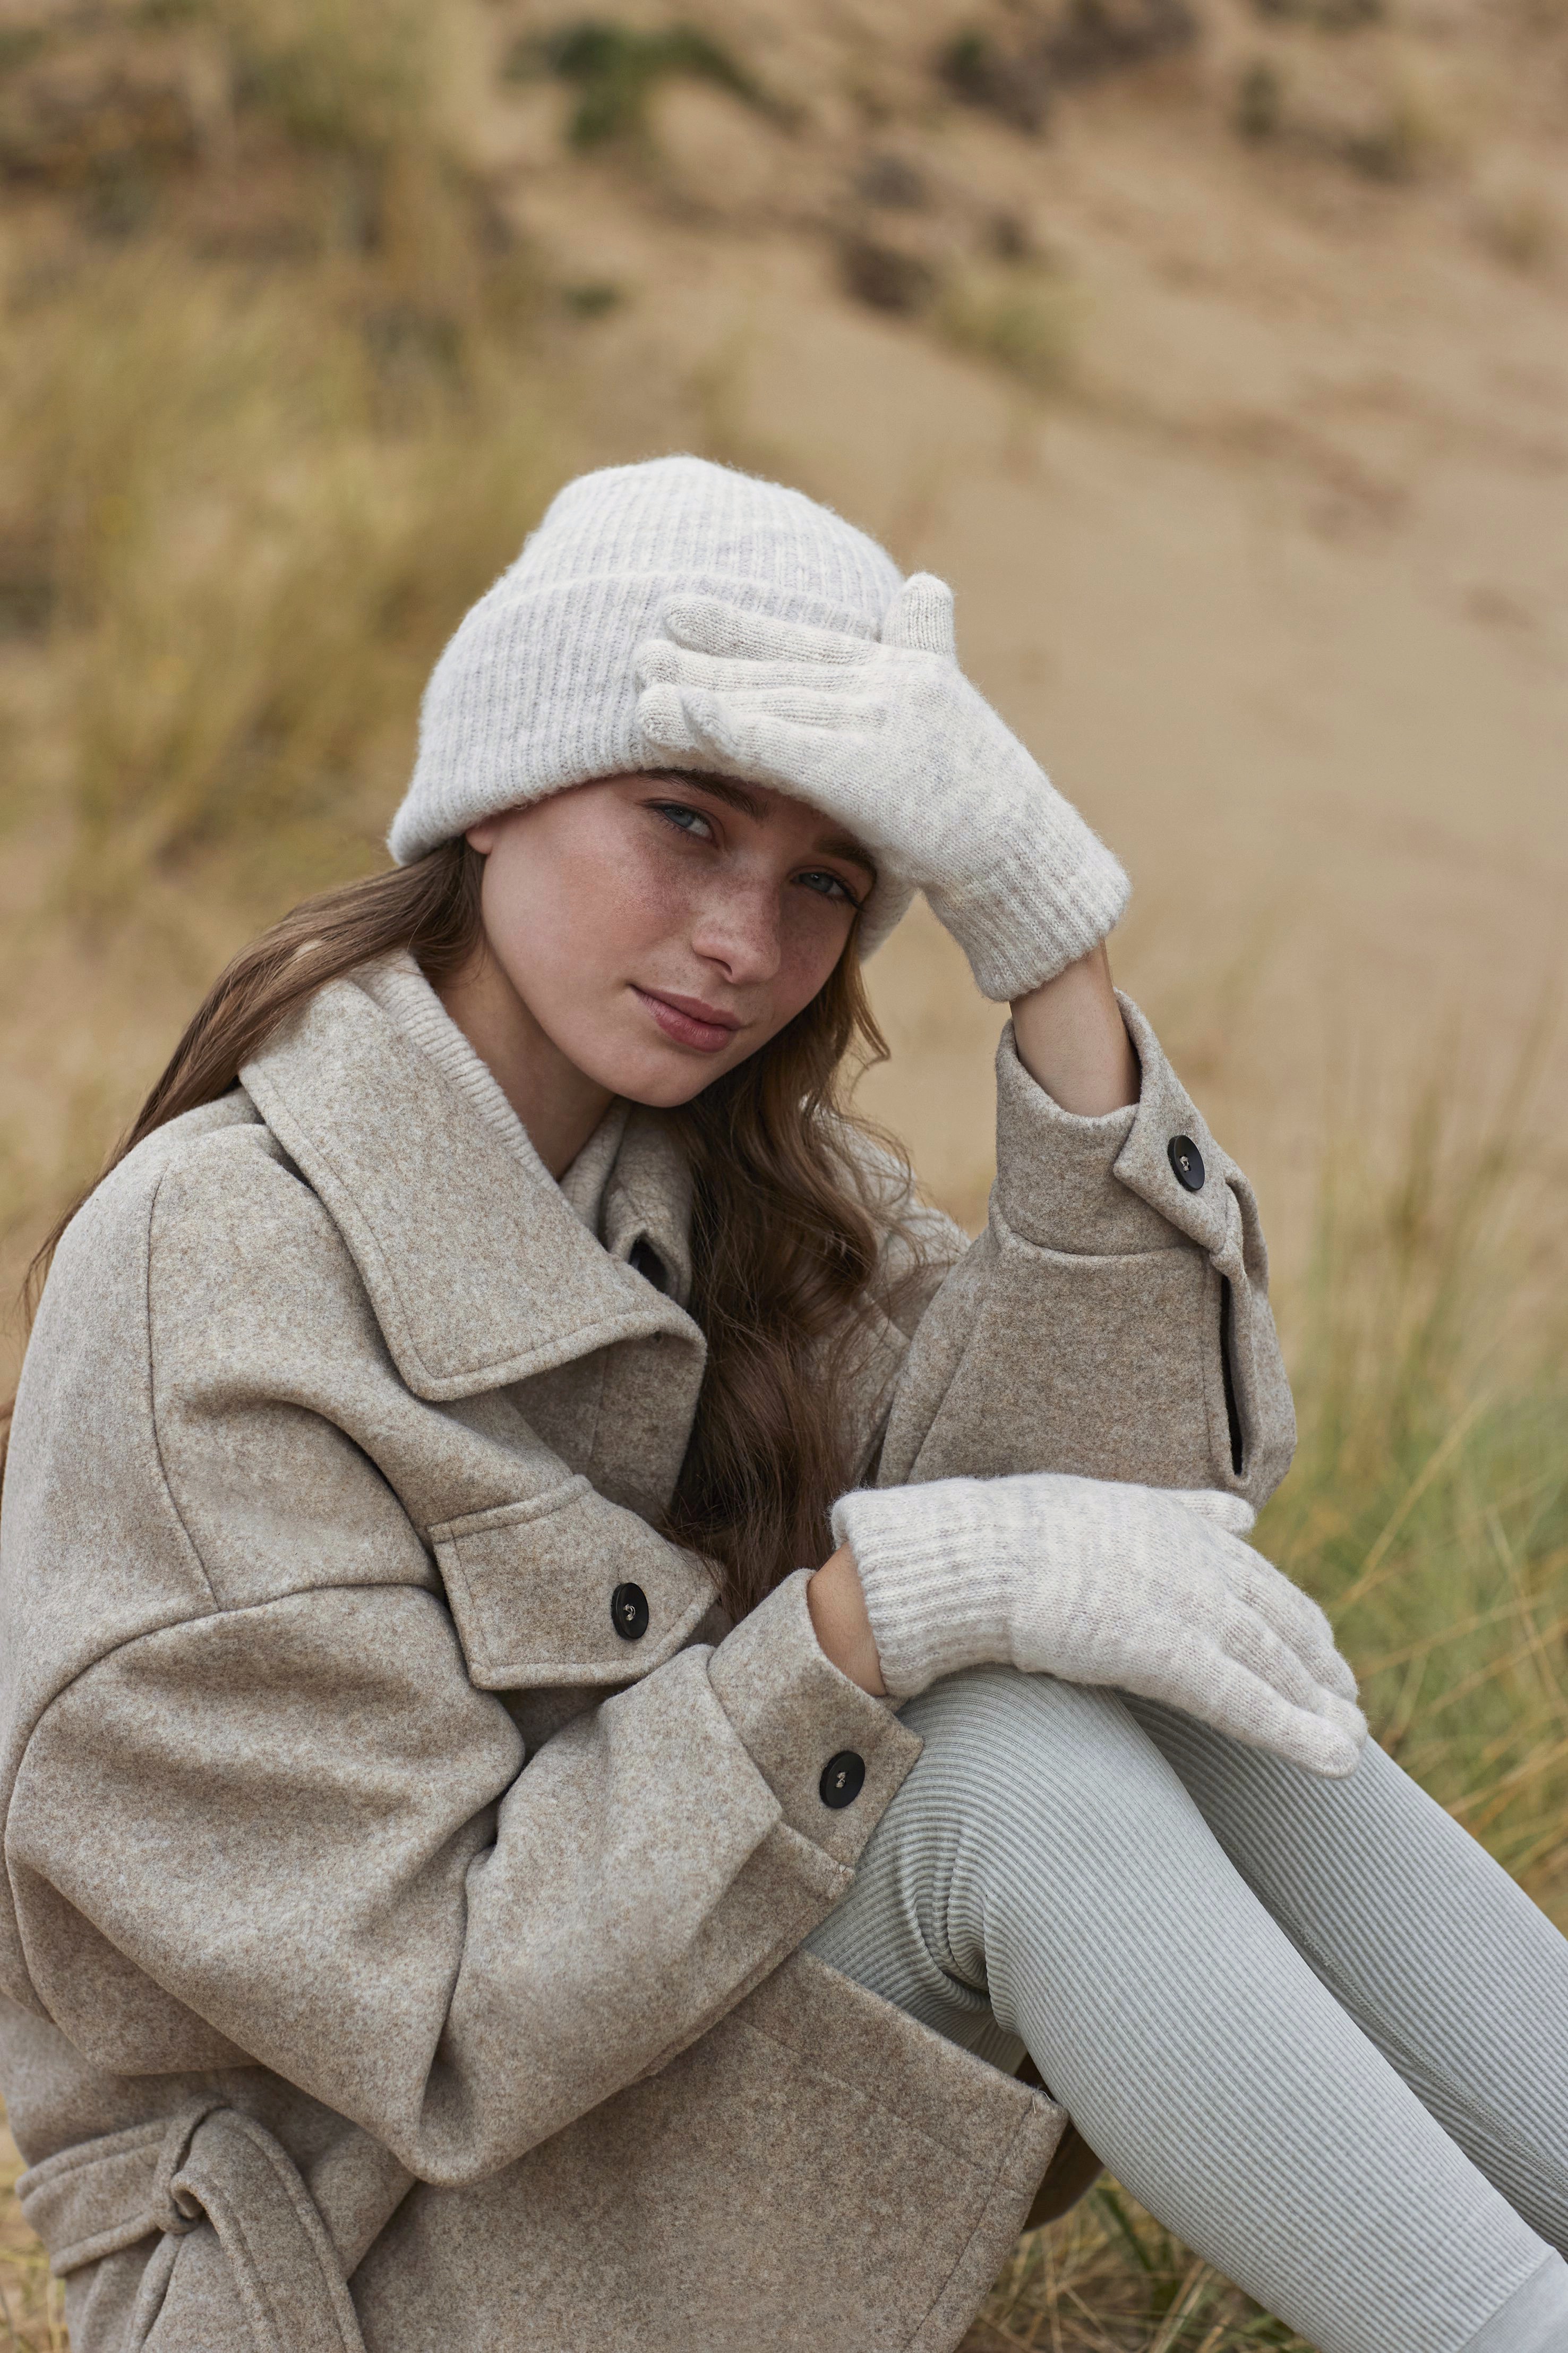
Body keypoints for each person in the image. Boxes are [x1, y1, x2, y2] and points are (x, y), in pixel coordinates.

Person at [0, 457, 1564, 2353]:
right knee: (989, 1763)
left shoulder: (730, 1192)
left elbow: (1139, 1533)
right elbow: (445, 2013)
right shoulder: (220, 1271)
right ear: (498, 789)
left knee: (1145, 1660)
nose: (745, 940)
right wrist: (863, 1622)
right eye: (684, 821)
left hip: (616, 2143)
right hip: (338, 2270)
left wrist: (1051, 953)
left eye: (827, 880)